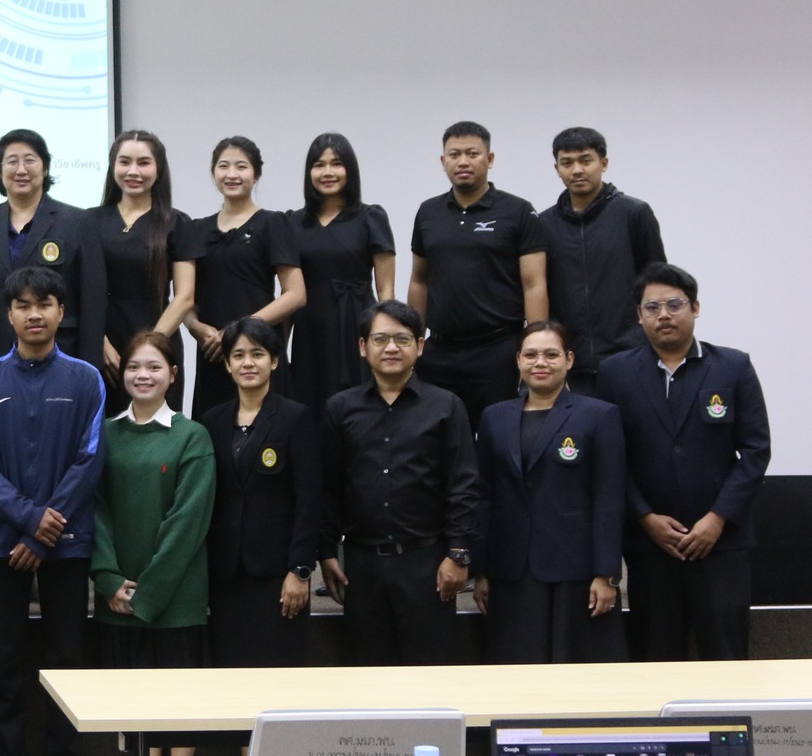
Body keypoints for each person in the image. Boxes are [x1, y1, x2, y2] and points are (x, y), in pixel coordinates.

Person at [0, 266, 106, 756]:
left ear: (61, 312)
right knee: (4, 659)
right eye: (23, 305)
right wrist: (28, 520)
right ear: (9, 314)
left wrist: (46, 531)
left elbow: (90, 459)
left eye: (44, 303)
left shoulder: (86, 378)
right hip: (4, 542)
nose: (34, 314)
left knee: (66, 656)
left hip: (67, 543)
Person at [596, 264, 770, 661]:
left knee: (726, 657)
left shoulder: (733, 366)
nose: (664, 315)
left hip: (721, 545)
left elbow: (756, 450)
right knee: (656, 659)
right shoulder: (615, 373)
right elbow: (610, 458)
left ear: (695, 308)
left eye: (674, 304)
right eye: (652, 307)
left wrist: (718, 518)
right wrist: (644, 517)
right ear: (639, 315)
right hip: (651, 546)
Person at [320, 301, 478, 666]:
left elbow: (463, 484)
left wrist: (458, 553)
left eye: (402, 339)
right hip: (361, 564)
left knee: (430, 673)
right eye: (380, 339)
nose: (391, 348)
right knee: (367, 673)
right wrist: (326, 552)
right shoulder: (340, 408)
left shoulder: (447, 406)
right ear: (363, 347)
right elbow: (329, 486)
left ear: (419, 346)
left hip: (428, 561)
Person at [92, 331, 215, 756]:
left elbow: (188, 520)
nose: (143, 375)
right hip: (118, 593)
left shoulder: (192, 436)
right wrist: (108, 579)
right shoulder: (104, 434)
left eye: (154, 367)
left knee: (179, 694)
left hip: (176, 594)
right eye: (133, 367)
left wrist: (149, 592)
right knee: (133, 694)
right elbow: (94, 510)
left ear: (173, 375)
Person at [473, 322, 626, 664]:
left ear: (569, 359)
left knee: (574, 671)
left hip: (575, 570)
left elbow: (608, 498)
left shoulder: (599, 415)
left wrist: (607, 574)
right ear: (518, 360)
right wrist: (480, 571)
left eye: (551, 354)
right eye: (531, 355)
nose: (540, 362)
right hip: (511, 569)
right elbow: (484, 496)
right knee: (516, 668)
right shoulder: (494, 417)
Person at [198, 317, 322, 669]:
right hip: (226, 573)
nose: (247, 363)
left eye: (257, 354)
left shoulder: (295, 418)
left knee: (279, 669)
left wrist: (300, 570)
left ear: (274, 361)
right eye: (238, 356)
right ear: (227, 364)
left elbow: (309, 500)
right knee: (230, 670)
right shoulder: (212, 421)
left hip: (277, 573)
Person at [409, 121, 549, 425]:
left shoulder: (517, 211)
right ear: (443, 161)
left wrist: (535, 348)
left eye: (472, 154)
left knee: (499, 436)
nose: (463, 162)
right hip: (440, 351)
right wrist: (414, 341)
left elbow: (534, 284)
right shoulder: (428, 212)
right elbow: (419, 280)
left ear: (490, 158)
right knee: (438, 437)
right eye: (454, 154)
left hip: (498, 350)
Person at [0, 129, 105, 382]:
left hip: (61, 355)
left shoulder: (78, 223)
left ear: (45, 168)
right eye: (12, 161)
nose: (21, 169)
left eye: (30, 160)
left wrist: (90, 367)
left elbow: (93, 302)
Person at [538, 128, 666, 395]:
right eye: (567, 163)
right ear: (556, 169)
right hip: (571, 362)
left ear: (603, 163)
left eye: (586, 160)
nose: (577, 170)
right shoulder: (544, 224)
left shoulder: (634, 213)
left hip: (630, 355)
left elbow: (657, 284)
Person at [185, 136, 304, 415]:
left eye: (241, 166)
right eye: (223, 166)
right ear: (213, 172)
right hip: (213, 352)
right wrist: (194, 326)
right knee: (213, 427)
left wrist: (239, 330)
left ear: (256, 174)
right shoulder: (197, 229)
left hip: (259, 349)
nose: (232, 174)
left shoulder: (273, 222)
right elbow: (186, 298)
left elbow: (296, 294)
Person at [287, 134, 395, 408]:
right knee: (308, 400)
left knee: (362, 403)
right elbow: (287, 289)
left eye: (336, 164)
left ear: (350, 169)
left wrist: (386, 338)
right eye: (319, 165)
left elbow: (385, 289)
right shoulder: (293, 222)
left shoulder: (371, 217)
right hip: (309, 325)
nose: (328, 172)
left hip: (356, 320)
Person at [93, 130, 197, 403]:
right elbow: (80, 291)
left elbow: (185, 297)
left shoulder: (177, 223)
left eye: (144, 163)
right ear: (113, 166)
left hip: (159, 346)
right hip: (103, 349)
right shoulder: (88, 222)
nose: (133, 171)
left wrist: (149, 349)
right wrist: (98, 341)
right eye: (124, 162)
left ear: (158, 168)